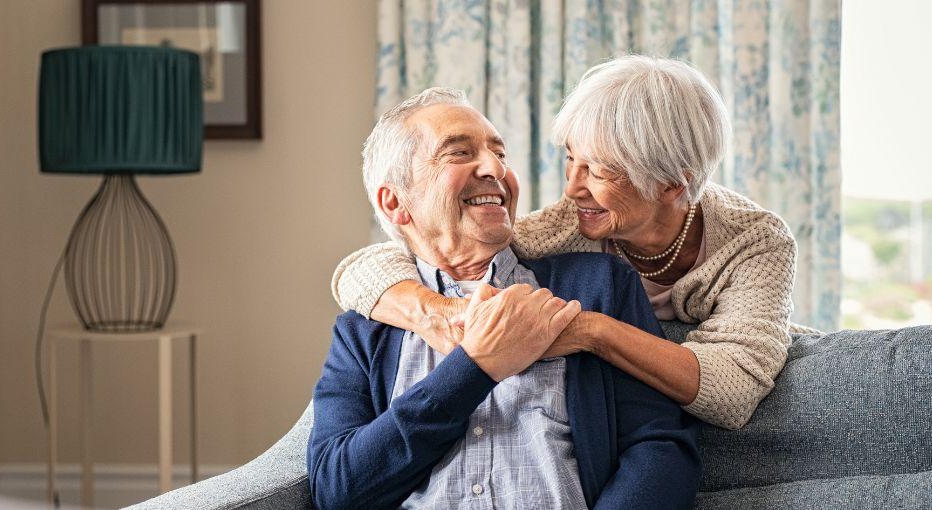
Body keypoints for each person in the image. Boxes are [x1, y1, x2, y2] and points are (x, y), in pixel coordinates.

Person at [332, 55, 800, 430]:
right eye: (571, 160)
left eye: (597, 170)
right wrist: (440, 312)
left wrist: (590, 332)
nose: (573, 188)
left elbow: (734, 389)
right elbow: (368, 266)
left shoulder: (755, 242)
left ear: (671, 184)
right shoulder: (567, 226)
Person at [307, 88, 701, 509]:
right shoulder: (363, 330)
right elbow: (337, 489)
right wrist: (474, 367)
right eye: (459, 153)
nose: (495, 168)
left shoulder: (597, 286)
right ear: (395, 202)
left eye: (501, 153)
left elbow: (660, 447)